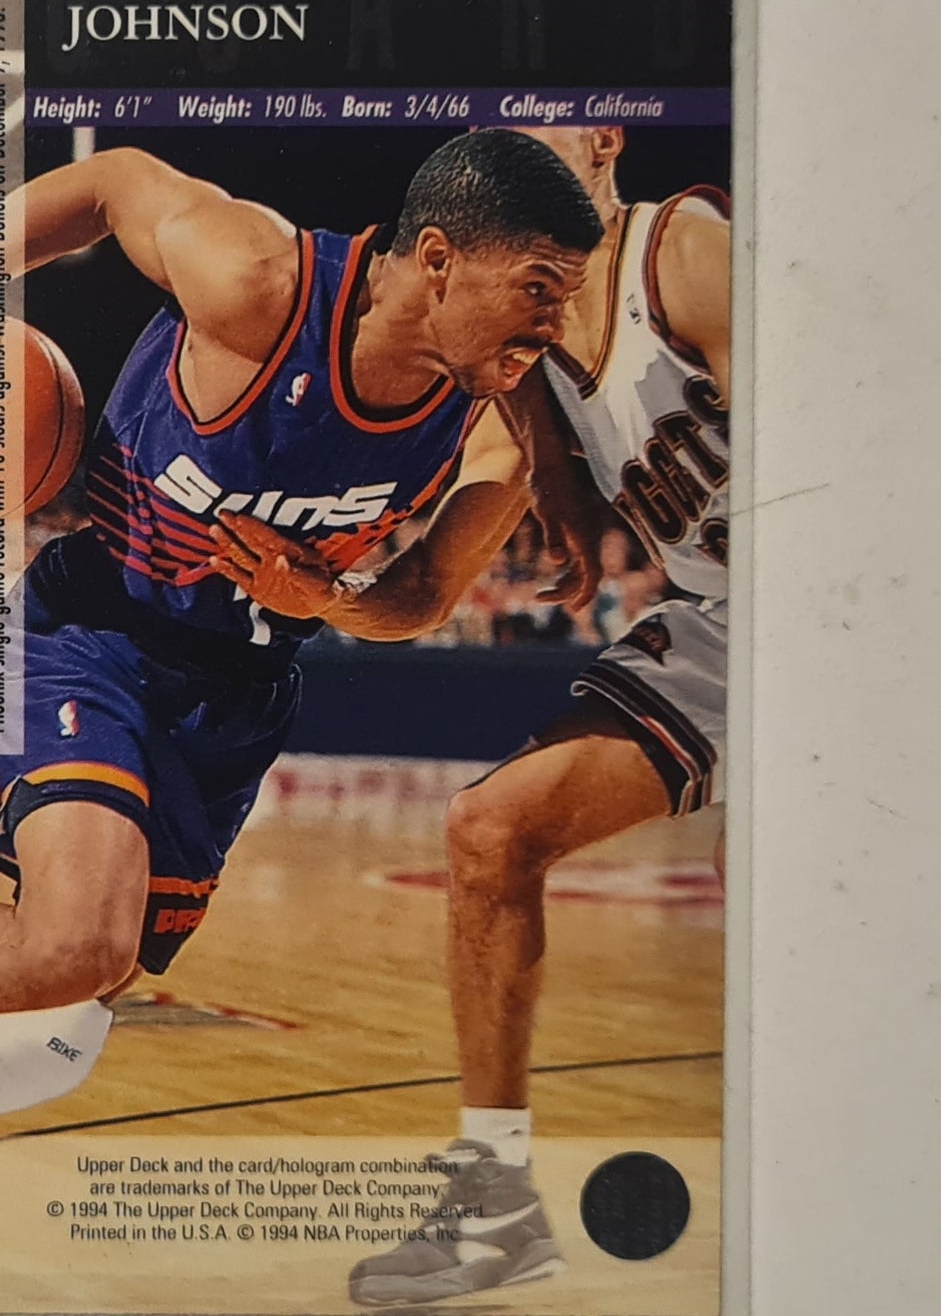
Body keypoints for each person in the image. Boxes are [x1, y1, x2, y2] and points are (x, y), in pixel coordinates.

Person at [0, 130, 603, 1300]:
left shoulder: (505, 424)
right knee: (77, 939)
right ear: (436, 259)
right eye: (536, 289)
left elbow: (419, 596)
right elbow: (113, 179)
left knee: (47, 1045)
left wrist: (328, 598)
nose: (551, 324)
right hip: (95, 632)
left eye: (566, 296)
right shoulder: (257, 281)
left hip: (237, 701)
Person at [209, 124, 729, 1303]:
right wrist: (321, 597)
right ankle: (495, 1204)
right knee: (487, 831)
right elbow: (424, 594)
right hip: (722, 623)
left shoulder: (683, 257)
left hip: (835, 617)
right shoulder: (518, 362)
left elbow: (840, 467)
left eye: (539, 129)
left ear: (601, 146)